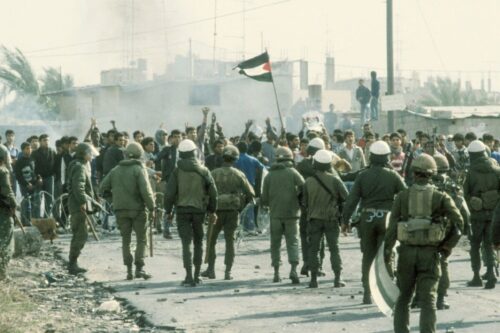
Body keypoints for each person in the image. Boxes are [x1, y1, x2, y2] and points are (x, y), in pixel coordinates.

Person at [384, 153, 463, 333]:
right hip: (431, 254)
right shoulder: (440, 197)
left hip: (406, 254)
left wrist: (387, 253)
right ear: (432, 174)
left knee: (403, 298)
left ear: (413, 173)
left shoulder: (402, 197)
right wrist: (446, 247)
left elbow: (391, 229)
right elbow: (459, 223)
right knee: (429, 300)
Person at [343, 140, 407, 304]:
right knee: (386, 255)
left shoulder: (363, 175)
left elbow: (352, 200)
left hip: (367, 219)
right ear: (387, 157)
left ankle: (367, 292)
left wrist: (345, 221)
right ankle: (385, 292)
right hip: (387, 220)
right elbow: (405, 196)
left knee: (368, 257)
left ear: (370, 156)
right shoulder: (393, 175)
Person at [165, 139, 218, 287]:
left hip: (181, 211)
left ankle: (188, 275)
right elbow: (213, 193)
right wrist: (212, 210)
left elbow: (169, 194)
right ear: (195, 152)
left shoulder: (176, 172)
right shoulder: (203, 171)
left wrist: (168, 211)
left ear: (180, 154)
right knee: (198, 242)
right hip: (199, 211)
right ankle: (197, 275)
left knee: (186, 243)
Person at [100, 142, 155, 280]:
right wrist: (152, 207)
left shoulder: (115, 170)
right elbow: (146, 191)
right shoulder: (139, 169)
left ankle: (129, 270)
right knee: (142, 238)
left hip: (120, 210)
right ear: (140, 155)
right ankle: (140, 268)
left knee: (126, 239)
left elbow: (102, 188)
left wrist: (113, 200)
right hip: (138, 210)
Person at [202, 145, 255, 280]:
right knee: (230, 242)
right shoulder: (239, 174)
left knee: (211, 240)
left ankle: (211, 270)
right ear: (235, 159)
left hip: (215, 211)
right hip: (232, 212)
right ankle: (228, 272)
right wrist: (241, 206)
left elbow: (205, 191)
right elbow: (251, 193)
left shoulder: (213, 173)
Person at [303, 149, 348, 288]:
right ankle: (337, 278)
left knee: (313, 249)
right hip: (331, 218)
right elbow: (346, 196)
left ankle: (313, 280)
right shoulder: (335, 180)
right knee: (334, 248)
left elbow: (304, 202)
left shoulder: (308, 181)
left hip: (314, 219)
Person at [261, 147, 304, 284]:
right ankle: (294, 270)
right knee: (293, 242)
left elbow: (264, 198)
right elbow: (304, 187)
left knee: (275, 244)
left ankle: (276, 273)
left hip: (275, 215)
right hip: (292, 214)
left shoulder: (269, 175)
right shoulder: (293, 172)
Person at [431, 154, 468, 309]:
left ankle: (420, 298)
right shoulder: (454, 187)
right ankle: (441, 298)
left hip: (425, 230)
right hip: (446, 231)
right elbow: (464, 214)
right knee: (442, 263)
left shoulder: (422, 184)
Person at [463, 140, 500, 289]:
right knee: (489, 244)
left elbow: (465, 194)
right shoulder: (496, 169)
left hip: (477, 215)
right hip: (493, 214)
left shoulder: (470, 172)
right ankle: (491, 273)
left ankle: (476, 276)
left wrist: (474, 205)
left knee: (475, 245)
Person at [296, 137, 327, 276]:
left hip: (305, 206)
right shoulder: (326, 166)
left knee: (304, 235)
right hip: (321, 206)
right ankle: (318, 265)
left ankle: (306, 263)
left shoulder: (301, 165)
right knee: (319, 236)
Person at [66, 143, 95, 275]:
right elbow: (79, 187)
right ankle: (72, 264)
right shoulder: (79, 167)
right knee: (81, 233)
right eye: (89, 153)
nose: (92, 155)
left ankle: (72, 262)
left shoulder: (77, 164)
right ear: (83, 154)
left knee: (78, 232)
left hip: (76, 203)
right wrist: (83, 202)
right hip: (78, 205)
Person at [158, 129, 182, 239]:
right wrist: (162, 174)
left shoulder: (184, 150)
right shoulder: (167, 150)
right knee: (168, 205)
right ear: (171, 139)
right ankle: (166, 229)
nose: (177, 139)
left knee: (180, 205)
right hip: (169, 182)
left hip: (182, 181)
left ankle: (181, 228)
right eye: (175, 137)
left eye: (179, 136)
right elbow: (156, 158)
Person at [0, 145, 17, 281]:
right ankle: (2, 273)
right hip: (2, 211)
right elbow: (7, 191)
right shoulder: (3, 171)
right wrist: (14, 204)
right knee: (6, 241)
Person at [31, 134, 56, 218]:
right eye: (44, 140)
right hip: (39, 179)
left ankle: (47, 217)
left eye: (48, 140)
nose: (47, 142)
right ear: (40, 141)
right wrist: (38, 177)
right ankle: (37, 219)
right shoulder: (35, 153)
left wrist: (54, 176)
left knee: (49, 199)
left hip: (50, 178)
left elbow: (55, 165)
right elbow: (33, 168)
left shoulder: (52, 151)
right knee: (37, 199)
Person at [14, 142, 37, 226]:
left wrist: (38, 179)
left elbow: (35, 172)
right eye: (27, 148)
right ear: (23, 150)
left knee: (34, 203)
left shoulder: (32, 160)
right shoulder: (19, 162)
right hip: (24, 186)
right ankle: (24, 221)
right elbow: (18, 176)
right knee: (25, 203)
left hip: (33, 185)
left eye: (30, 148)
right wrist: (26, 184)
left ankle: (32, 221)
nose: (29, 150)